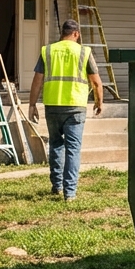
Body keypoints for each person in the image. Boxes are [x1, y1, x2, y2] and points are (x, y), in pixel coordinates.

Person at [28, 19, 103, 200]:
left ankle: (57, 185)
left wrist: (32, 104)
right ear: (76, 34)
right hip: (75, 106)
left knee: (55, 144)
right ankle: (70, 193)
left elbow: (37, 80)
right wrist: (99, 102)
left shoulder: (48, 51)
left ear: (62, 33)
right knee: (73, 149)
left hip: (53, 105)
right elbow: (96, 82)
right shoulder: (84, 52)